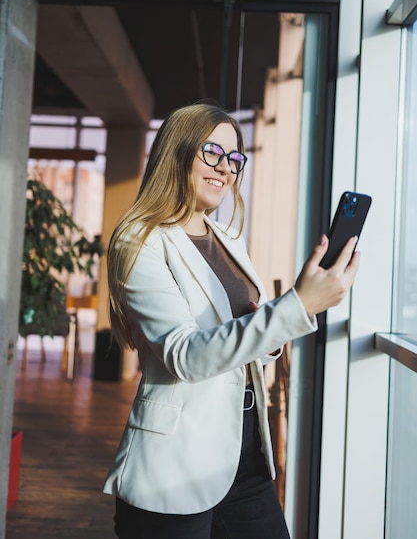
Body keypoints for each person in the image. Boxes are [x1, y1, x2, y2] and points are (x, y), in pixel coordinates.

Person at [103, 102, 360, 539]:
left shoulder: (226, 237)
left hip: (244, 449)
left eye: (235, 159)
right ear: (177, 153)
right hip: (176, 457)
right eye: (213, 153)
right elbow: (184, 355)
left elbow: (244, 332)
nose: (226, 168)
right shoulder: (140, 239)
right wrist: (296, 307)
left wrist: (290, 311)